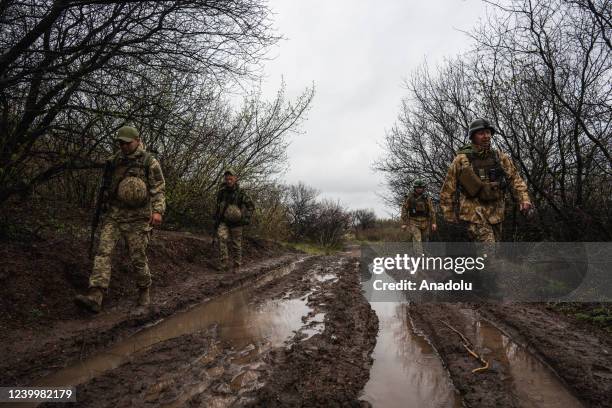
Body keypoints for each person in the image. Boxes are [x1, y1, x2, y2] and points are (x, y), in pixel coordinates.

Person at [75, 125, 165, 313]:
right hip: (115, 214)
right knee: (103, 251)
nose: (123, 146)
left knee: (137, 256)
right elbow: (106, 188)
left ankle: (143, 290)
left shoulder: (149, 162)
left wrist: (158, 211)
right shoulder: (113, 162)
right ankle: (96, 294)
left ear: (137, 141)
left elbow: (158, 189)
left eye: (127, 143)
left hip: (139, 218)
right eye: (120, 143)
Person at [440, 118, 532, 243]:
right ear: (472, 136)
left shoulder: (499, 156)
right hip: (474, 214)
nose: (486, 136)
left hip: (496, 212)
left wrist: (524, 198)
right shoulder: (461, 159)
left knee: (493, 252)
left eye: (488, 132)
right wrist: (448, 213)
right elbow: (448, 188)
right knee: (488, 252)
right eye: (481, 133)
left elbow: (514, 178)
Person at [213, 168, 254, 273]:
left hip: (237, 222)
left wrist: (246, 219)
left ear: (235, 179)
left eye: (230, 179)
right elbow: (218, 206)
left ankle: (237, 265)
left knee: (236, 244)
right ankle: (224, 264)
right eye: (227, 179)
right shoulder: (221, 191)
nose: (228, 181)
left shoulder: (241, 192)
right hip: (224, 221)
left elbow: (251, 206)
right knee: (221, 239)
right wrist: (216, 217)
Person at [401, 179, 437, 254]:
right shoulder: (409, 197)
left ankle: (424, 255)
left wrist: (434, 223)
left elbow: (432, 210)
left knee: (425, 240)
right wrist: (405, 223)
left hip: (425, 222)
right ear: (415, 188)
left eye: (421, 187)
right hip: (413, 222)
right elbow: (404, 210)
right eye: (418, 187)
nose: (419, 189)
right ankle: (419, 258)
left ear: (423, 188)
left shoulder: (427, 198)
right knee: (417, 240)